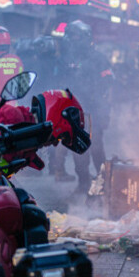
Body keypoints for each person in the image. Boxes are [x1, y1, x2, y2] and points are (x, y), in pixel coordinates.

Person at [51, 20, 113, 191]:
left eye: (77, 36)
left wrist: (105, 112)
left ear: (85, 37)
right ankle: (83, 183)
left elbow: (108, 86)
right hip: (74, 112)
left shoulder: (99, 58)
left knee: (97, 149)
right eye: (71, 36)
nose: (73, 40)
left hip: (95, 111)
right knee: (78, 150)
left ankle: (103, 184)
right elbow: (58, 85)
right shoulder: (64, 60)